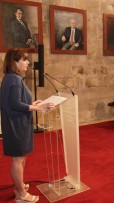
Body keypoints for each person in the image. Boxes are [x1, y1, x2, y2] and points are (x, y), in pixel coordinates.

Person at [1, 49, 53, 202]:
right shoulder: (14, 79)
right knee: (18, 159)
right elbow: (14, 104)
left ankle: (19, 188)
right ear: (15, 62)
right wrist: (38, 108)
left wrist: (31, 104)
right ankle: (22, 195)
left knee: (20, 157)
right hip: (17, 124)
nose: (28, 62)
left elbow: (14, 102)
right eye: (24, 60)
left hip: (17, 122)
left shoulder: (10, 78)